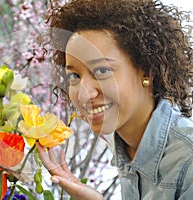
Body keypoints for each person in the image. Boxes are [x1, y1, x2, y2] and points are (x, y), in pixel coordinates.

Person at [36, 0, 193, 199]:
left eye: (102, 71)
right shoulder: (125, 141)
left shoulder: (188, 162)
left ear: (147, 71)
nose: (84, 94)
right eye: (75, 76)